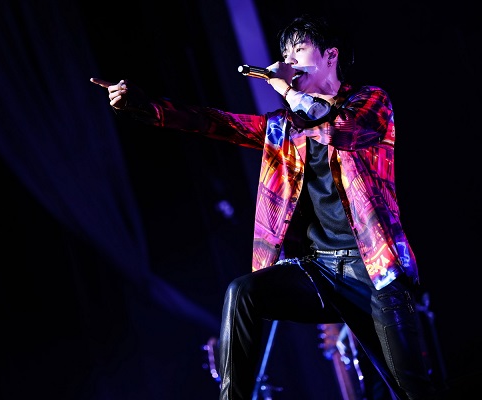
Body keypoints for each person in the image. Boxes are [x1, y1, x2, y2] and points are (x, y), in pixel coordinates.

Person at [91, 14, 440, 400]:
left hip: (375, 270)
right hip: (321, 271)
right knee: (243, 292)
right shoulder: (284, 129)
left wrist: (288, 92)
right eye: (284, 54)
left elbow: (339, 131)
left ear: (331, 56)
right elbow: (216, 123)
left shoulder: (370, 102)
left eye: (298, 50)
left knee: (410, 389)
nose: (288, 61)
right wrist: (147, 107)